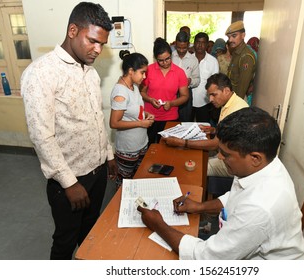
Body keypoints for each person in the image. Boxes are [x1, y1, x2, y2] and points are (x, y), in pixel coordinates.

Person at [138, 107, 304, 260]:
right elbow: (236, 195)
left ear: (255, 158)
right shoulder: (265, 164)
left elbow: (206, 259)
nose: (220, 157)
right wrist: (200, 206)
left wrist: (157, 224)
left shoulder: (260, 207)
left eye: (226, 155)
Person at [20, 2, 118, 259]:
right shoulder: (41, 74)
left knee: (90, 231)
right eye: (93, 41)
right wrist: (69, 183)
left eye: (102, 44)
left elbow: (97, 117)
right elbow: (42, 136)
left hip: (96, 173)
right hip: (71, 180)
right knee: (65, 240)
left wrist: (108, 154)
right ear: (73, 31)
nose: (98, 50)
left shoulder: (90, 72)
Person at [164, 73, 248, 177]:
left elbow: (214, 144)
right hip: (226, 153)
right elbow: (231, 133)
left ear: (226, 91)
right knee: (191, 157)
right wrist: (214, 130)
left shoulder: (236, 110)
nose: (211, 99)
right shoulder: (230, 102)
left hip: (235, 164)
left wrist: (182, 142)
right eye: (209, 95)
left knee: (192, 167)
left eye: (214, 94)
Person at [110, 52, 154, 188]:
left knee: (138, 178)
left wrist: (145, 114)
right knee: (125, 183)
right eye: (142, 72)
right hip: (128, 148)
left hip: (141, 143)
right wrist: (141, 123)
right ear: (131, 71)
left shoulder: (133, 86)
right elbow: (114, 123)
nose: (144, 76)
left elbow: (133, 110)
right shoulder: (120, 92)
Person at [140, 37, 189, 144]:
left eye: (167, 59)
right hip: (150, 117)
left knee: (168, 149)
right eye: (160, 60)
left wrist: (171, 103)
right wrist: (150, 99)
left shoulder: (179, 72)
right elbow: (142, 92)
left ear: (171, 55)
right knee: (150, 147)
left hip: (170, 117)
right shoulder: (149, 70)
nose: (165, 63)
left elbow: (185, 96)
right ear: (155, 58)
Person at [172, 31, 200, 122]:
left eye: (184, 48)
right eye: (179, 47)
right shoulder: (170, 57)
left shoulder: (193, 60)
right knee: (171, 119)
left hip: (186, 93)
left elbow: (197, 79)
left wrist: (190, 81)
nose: (181, 50)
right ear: (175, 44)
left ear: (188, 45)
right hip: (171, 93)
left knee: (185, 120)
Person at [191, 32, 219, 123]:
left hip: (205, 102)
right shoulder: (188, 59)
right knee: (187, 127)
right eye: (198, 42)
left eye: (203, 43)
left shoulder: (213, 61)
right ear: (194, 43)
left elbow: (215, 84)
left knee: (203, 129)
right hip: (188, 102)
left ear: (207, 45)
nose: (200, 45)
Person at [226, 21, 256, 99]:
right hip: (232, 97)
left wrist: (235, 104)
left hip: (238, 100)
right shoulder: (237, 52)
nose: (230, 40)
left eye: (234, 36)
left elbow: (242, 88)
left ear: (243, 35)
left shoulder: (246, 56)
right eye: (229, 37)